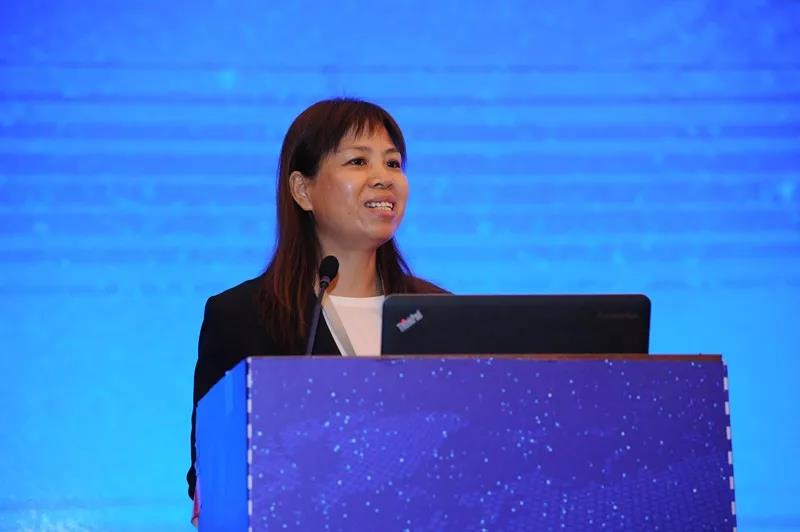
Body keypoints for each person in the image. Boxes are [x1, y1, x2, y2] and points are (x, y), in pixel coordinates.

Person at [186, 98, 447, 504]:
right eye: (358, 161)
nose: (384, 178)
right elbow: (209, 474)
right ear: (303, 190)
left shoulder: (436, 311)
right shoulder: (243, 316)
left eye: (393, 163)